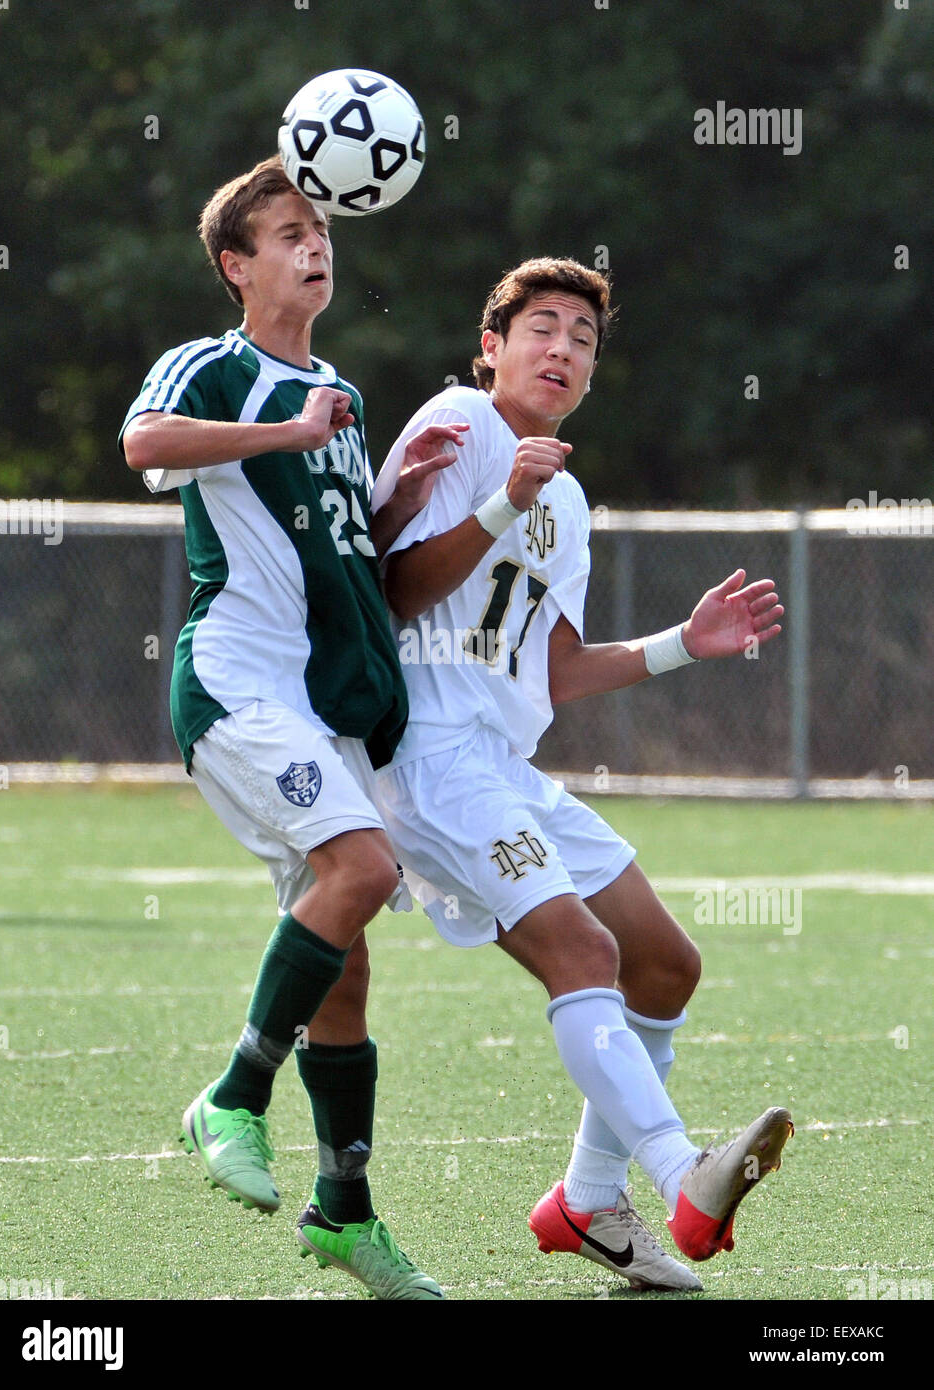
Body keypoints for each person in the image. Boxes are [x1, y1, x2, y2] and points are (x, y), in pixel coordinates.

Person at [371, 256, 792, 1292]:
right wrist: (499, 505)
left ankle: (584, 1204)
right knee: (583, 948)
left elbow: (553, 667)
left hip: (502, 765)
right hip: (425, 753)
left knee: (663, 961)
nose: (561, 349)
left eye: (582, 339)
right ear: (490, 348)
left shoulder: (565, 493)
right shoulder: (458, 426)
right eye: (540, 328)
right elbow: (388, 592)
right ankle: (678, 1174)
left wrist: (680, 644)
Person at [119, 155, 466, 1300]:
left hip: (313, 704)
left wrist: (397, 497)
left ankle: (344, 1213)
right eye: (286, 233)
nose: (315, 246)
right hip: (232, 682)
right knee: (360, 865)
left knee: (348, 968)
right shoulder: (214, 366)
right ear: (236, 265)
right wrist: (287, 434)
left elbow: (334, 542)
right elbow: (143, 448)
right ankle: (230, 1094)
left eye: (321, 230)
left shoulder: (343, 397)